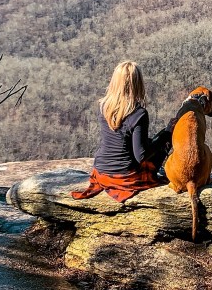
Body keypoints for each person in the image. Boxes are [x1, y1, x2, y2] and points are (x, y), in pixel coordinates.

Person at [71, 61, 172, 202]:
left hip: (101, 172)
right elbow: (141, 156)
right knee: (164, 141)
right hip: (124, 177)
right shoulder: (139, 113)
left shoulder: (104, 106)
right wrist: (166, 134)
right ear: (137, 84)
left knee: (154, 140)